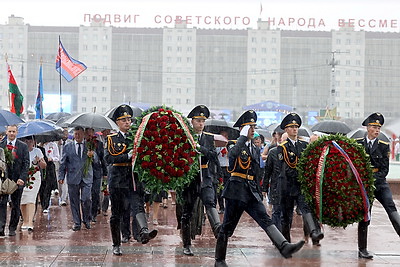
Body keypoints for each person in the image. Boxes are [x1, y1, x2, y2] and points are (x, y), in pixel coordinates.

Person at [214, 111, 304, 267]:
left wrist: (259, 190)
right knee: (227, 227)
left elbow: (256, 172)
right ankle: (219, 260)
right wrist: (242, 137)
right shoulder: (234, 144)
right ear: (242, 129)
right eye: (250, 127)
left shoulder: (255, 149)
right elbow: (233, 156)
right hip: (235, 192)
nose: (253, 130)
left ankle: (284, 246)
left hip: (250, 192)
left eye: (254, 126)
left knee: (265, 219)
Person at [104, 104, 157, 256]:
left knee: (137, 206)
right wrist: (127, 155)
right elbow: (108, 158)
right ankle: (116, 243)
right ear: (117, 122)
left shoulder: (137, 138)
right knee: (117, 214)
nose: (128, 122)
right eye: (124, 120)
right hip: (118, 181)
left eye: (129, 119)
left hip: (133, 179)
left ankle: (144, 232)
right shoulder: (111, 139)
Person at [178, 104, 221, 256]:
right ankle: (187, 244)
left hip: (205, 176)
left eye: (203, 120)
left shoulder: (208, 138)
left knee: (210, 202)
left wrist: (200, 148)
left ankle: (218, 230)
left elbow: (212, 156)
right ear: (192, 121)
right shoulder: (184, 137)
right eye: (198, 120)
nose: (201, 123)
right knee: (187, 212)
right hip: (190, 178)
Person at [357, 113, 400, 259]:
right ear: (367, 128)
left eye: (379, 128)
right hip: (364, 186)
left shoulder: (383, 146)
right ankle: (362, 249)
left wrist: (373, 179)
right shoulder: (357, 144)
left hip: (380, 184)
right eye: (374, 127)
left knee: (391, 208)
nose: (377, 130)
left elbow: (384, 170)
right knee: (365, 216)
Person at [277, 113, 324, 244]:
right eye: (291, 127)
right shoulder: (282, 148)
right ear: (286, 129)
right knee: (286, 216)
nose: (295, 129)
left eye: (296, 126)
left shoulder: (303, 145)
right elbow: (284, 168)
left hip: (300, 185)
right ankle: (285, 241)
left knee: (306, 208)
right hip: (287, 185)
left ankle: (314, 232)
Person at [58, 126, 95, 231]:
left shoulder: (89, 145)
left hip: (86, 177)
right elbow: (63, 162)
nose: (77, 136)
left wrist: (92, 155)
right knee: (74, 201)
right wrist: (61, 176)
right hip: (73, 177)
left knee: (86, 199)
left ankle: (87, 220)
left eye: (79, 134)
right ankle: (77, 222)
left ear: (83, 134)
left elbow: (96, 160)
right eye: (76, 134)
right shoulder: (67, 146)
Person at [0, 125, 30, 236]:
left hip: (18, 180)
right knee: (2, 204)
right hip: (4, 180)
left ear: (17, 132)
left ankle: (12, 227)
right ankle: (1, 227)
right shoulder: (1, 145)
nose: (12, 133)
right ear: (6, 132)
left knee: (15, 204)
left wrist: (22, 178)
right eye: (10, 131)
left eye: (14, 131)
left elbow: (26, 163)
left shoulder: (23, 146)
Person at [20, 136, 46, 231]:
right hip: (23, 177)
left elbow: (44, 166)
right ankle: (25, 220)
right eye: (26, 141)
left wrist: (39, 161)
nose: (28, 143)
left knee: (31, 199)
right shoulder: (21, 150)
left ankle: (30, 221)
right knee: (23, 199)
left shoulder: (37, 151)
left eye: (30, 141)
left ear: (34, 141)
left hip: (34, 177)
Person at [263, 132, 288, 231]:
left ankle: (285, 234)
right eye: (285, 140)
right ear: (280, 140)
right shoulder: (273, 152)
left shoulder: (292, 152)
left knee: (286, 212)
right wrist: (264, 188)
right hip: (276, 186)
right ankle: (277, 235)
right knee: (276, 211)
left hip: (288, 187)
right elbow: (267, 171)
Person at [84, 128, 108, 223]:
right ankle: (87, 214)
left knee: (95, 193)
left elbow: (103, 159)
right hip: (86, 172)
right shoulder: (83, 144)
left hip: (97, 171)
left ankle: (93, 214)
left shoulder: (99, 144)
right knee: (86, 195)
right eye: (87, 132)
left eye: (91, 132)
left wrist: (105, 172)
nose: (89, 134)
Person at [39, 140, 60, 213]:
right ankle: (42, 203)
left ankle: (45, 205)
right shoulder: (40, 145)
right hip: (41, 166)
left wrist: (52, 158)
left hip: (50, 165)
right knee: (42, 186)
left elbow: (57, 157)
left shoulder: (53, 145)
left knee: (48, 186)